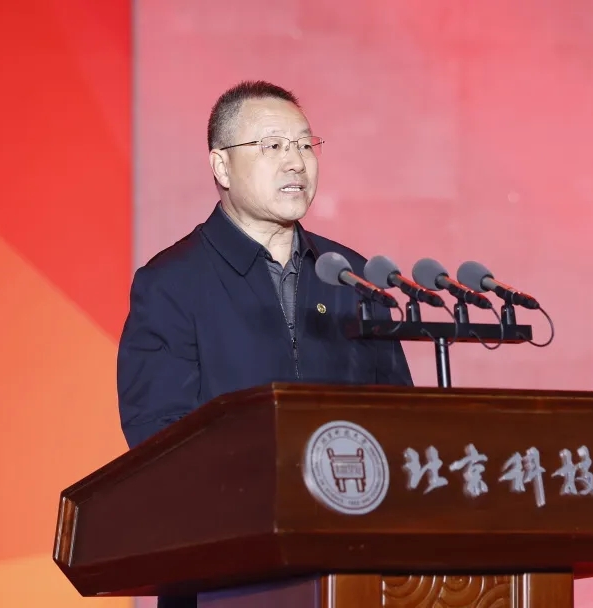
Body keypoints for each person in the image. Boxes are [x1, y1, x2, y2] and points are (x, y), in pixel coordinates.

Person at [116, 81, 414, 607]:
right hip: (223, 575)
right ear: (222, 167)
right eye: (272, 146)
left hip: (349, 569)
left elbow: (399, 418)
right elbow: (158, 436)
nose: (296, 162)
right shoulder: (171, 283)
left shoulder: (353, 277)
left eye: (304, 145)